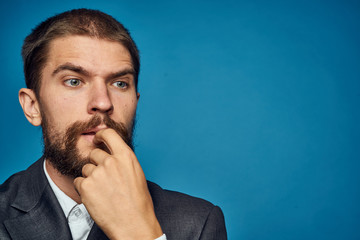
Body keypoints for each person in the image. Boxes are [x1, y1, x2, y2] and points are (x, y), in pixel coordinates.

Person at [0, 9, 227, 240]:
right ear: (32, 106)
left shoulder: (199, 223)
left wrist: (139, 232)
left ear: (135, 102)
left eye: (119, 84)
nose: (103, 102)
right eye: (74, 81)